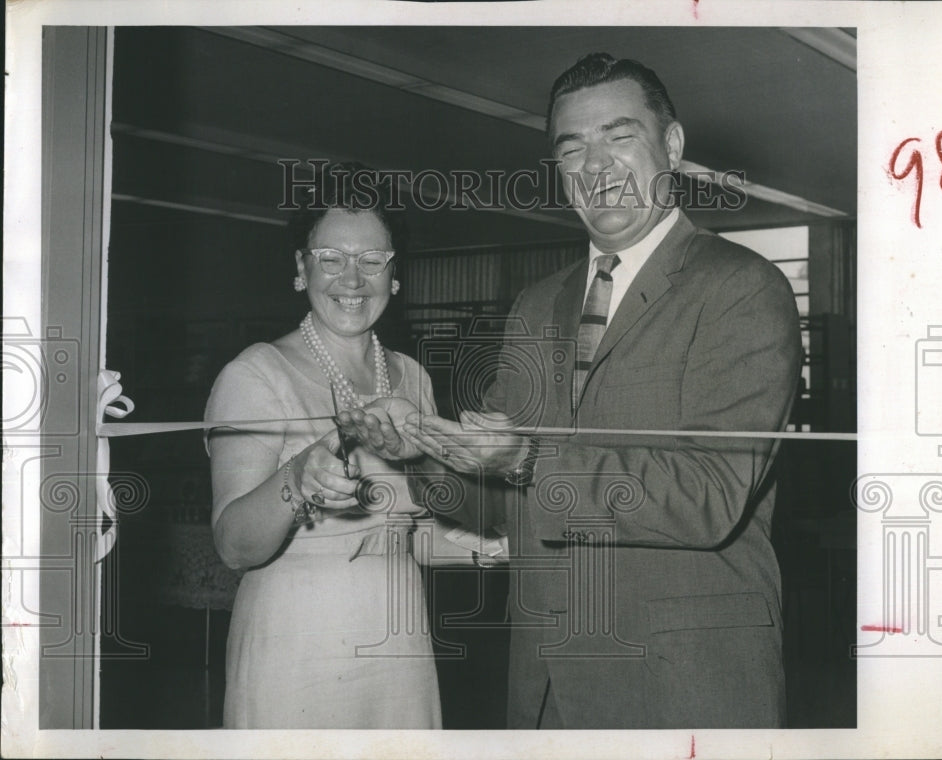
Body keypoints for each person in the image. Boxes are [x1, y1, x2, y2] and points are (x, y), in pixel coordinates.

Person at [398, 53, 803, 728]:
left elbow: (709, 495)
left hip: (684, 688)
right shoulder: (535, 306)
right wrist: (420, 445)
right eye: (572, 149)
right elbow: (497, 508)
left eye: (619, 138)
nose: (596, 167)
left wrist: (525, 460)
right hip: (548, 686)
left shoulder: (743, 289)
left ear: (671, 146)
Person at [204, 164, 442, 729]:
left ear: (394, 273)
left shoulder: (412, 378)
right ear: (300, 268)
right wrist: (297, 478)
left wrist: (505, 539)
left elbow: (419, 537)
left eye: (371, 261)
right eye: (330, 258)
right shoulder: (255, 374)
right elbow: (234, 546)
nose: (352, 279)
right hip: (296, 649)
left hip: (399, 645)